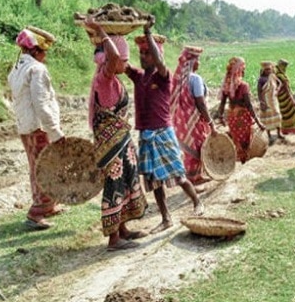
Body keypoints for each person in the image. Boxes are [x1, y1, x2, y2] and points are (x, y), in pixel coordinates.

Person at [126, 19, 203, 234]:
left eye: (147, 53)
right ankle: (166, 218)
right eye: (140, 53)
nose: (142, 57)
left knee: (178, 175)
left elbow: (159, 62)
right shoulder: (139, 77)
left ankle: (197, 202)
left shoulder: (163, 76)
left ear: (156, 54)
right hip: (146, 135)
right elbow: (121, 64)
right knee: (153, 181)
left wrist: (148, 32)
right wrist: (109, 38)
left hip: (162, 133)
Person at [84, 17, 148, 250]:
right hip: (112, 147)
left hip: (120, 142)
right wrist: (102, 31)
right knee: (114, 185)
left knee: (124, 183)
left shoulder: (115, 79)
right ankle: (113, 240)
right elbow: (111, 55)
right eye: (124, 59)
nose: (126, 64)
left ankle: (122, 230)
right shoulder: (105, 76)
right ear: (115, 59)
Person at [7, 26, 66, 230]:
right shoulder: (37, 69)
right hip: (39, 127)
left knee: (36, 167)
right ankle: (36, 212)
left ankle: (48, 205)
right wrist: (55, 131)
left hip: (26, 126)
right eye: (43, 52)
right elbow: (41, 103)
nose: (45, 56)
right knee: (46, 168)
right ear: (35, 51)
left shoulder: (17, 68)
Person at [170, 45, 216, 192]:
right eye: (198, 60)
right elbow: (200, 102)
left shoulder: (177, 79)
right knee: (198, 146)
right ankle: (194, 178)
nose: (199, 63)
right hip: (194, 120)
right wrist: (210, 122)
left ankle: (192, 177)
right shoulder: (195, 79)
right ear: (192, 62)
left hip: (181, 121)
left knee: (188, 148)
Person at [217, 57, 266, 163]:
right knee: (246, 143)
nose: (244, 71)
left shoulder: (227, 85)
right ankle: (245, 161)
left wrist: (220, 116)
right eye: (243, 69)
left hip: (232, 118)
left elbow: (222, 103)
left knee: (237, 141)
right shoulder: (244, 86)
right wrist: (258, 122)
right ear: (239, 70)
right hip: (243, 119)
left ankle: (240, 159)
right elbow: (249, 106)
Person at [257, 61, 283, 144]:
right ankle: (269, 135)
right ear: (263, 70)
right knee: (267, 118)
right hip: (266, 100)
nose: (268, 71)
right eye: (266, 70)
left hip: (273, 100)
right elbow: (259, 92)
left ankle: (279, 133)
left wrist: (277, 90)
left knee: (277, 115)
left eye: (269, 69)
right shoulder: (261, 80)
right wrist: (262, 102)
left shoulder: (273, 76)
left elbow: (280, 83)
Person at [274, 59, 295, 135]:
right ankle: (290, 129)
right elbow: (287, 89)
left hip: (281, 98)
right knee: (291, 113)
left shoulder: (276, 75)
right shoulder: (281, 76)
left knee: (284, 113)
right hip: (286, 97)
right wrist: (292, 99)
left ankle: (285, 129)